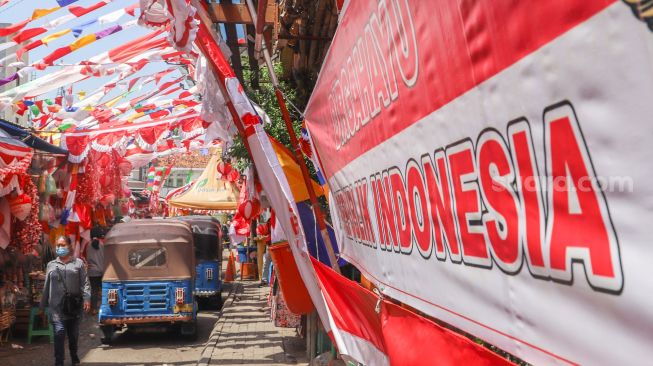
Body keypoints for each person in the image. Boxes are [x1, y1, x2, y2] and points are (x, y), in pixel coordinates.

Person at [40, 235, 91, 366]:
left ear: (69, 246)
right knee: (59, 333)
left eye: (62, 245)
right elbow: (47, 286)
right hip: (56, 308)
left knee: (73, 336)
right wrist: (42, 306)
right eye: (58, 245)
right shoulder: (51, 265)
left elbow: (85, 283)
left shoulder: (78, 263)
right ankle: (59, 362)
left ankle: (74, 355)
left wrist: (87, 298)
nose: (60, 248)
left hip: (73, 307)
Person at [86, 230, 104, 315]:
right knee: (105, 289)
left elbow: (86, 256)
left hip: (92, 271)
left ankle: (93, 309)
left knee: (94, 290)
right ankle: (107, 308)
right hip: (102, 270)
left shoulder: (87, 245)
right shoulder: (103, 244)